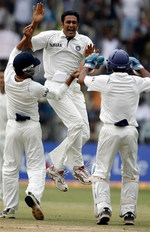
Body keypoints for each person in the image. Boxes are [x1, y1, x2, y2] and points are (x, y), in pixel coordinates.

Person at [0, 24, 77, 220]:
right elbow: (58, 95)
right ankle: (33, 194)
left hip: (12, 127)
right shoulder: (34, 87)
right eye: (33, 66)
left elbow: (15, 51)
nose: (36, 66)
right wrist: (70, 78)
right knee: (35, 167)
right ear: (27, 70)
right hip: (31, 127)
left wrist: (27, 34)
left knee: (9, 168)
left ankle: (8, 209)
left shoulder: (9, 76)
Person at [25, 2, 95, 192]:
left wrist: (89, 62)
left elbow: (89, 70)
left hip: (73, 89)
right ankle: (77, 167)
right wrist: (34, 22)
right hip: (55, 86)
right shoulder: (50, 37)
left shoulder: (85, 41)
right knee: (76, 125)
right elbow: (27, 44)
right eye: (68, 22)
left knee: (85, 133)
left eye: (74, 22)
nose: (71, 25)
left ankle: (57, 168)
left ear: (78, 25)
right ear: (62, 24)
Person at [77, 50, 150, 225]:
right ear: (128, 67)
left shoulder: (105, 80)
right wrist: (139, 67)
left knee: (101, 172)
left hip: (109, 130)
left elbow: (81, 79)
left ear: (110, 66)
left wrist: (88, 63)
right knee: (131, 173)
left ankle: (103, 208)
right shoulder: (136, 81)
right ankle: (129, 212)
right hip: (130, 132)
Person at [0, 66, 7, 201]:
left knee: (7, 168)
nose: (2, 80)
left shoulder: (13, 93)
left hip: (9, 136)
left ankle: (4, 195)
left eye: (3, 77)